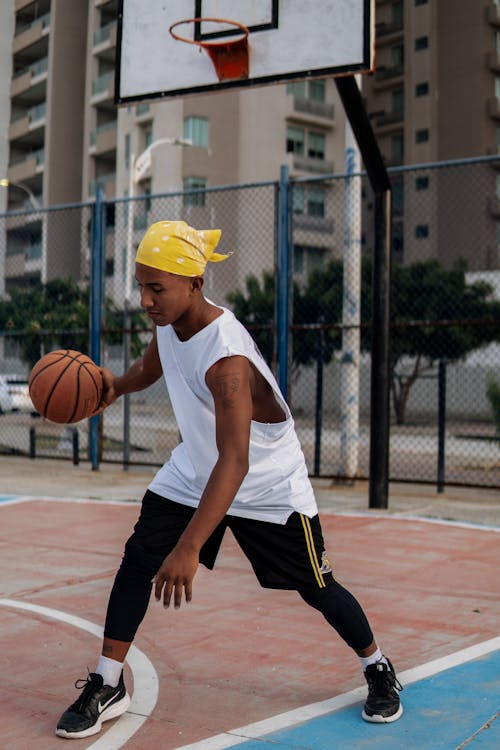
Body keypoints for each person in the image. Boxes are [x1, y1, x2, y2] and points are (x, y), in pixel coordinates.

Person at [55, 220, 403, 739]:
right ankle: (108, 682)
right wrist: (115, 388)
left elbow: (235, 462)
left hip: (265, 482)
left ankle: (378, 667)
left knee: (316, 586)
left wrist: (191, 545)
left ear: (194, 283)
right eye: (142, 285)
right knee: (137, 561)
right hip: (198, 467)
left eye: (157, 288)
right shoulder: (170, 321)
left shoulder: (228, 362)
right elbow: (156, 363)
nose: (146, 300)